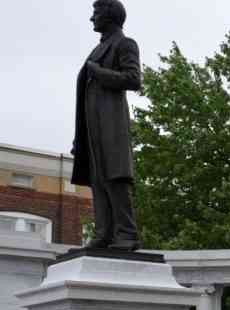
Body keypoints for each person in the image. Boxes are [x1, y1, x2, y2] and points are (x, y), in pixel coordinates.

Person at [71, 0, 142, 251]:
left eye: (96, 13)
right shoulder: (97, 49)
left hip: (112, 125)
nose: (92, 19)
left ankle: (127, 235)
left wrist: (99, 72)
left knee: (115, 178)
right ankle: (103, 234)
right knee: (98, 180)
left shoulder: (125, 43)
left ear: (109, 16)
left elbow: (134, 79)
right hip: (92, 128)